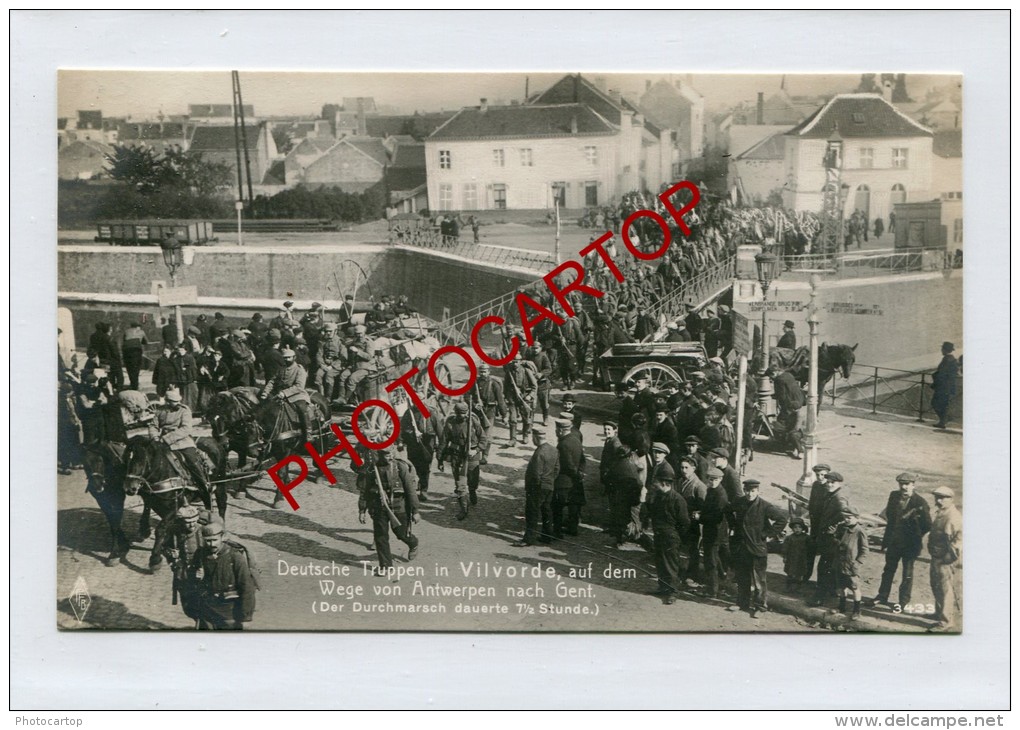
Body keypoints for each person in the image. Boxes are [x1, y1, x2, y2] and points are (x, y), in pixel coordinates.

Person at [869, 472, 932, 609]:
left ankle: (903, 602)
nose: (904, 487)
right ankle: (882, 596)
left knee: (907, 574)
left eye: (907, 484)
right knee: (888, 570)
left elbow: (927, 525)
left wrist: (915, 536)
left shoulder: (920, 502)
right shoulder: (894, 496)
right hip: (893, 542)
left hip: (910, 545)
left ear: (913, 485)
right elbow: (890, 517)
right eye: (901, 484)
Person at [728, 479, 788, 618]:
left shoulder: (765, 506)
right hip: (742, 547)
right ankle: (742, 603)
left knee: (759, 580)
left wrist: (767, 534)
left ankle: (760, 607)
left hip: (757, 547)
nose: (749, 494)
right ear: (744, 490)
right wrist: (733, 525)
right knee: (742, 577)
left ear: (758, 491)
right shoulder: (740, 502)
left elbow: (782, 520)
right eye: (747, 491)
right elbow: (728, 510)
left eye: (753, 491)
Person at [358, 447, 421, 575]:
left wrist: (415, 510)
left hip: (398, 505)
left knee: (401, 533)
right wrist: (362, 509)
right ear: (379, 454)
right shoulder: (372, 469)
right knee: (380, 536)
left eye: (391, 453)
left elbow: (410, 490)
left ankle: (413, 543)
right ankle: (386, 566)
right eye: (386, 454)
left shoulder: (400, 467)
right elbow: (364, 491)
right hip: (379, 506)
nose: (389, 456)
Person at [187, 521, 256, 630]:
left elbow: (247, 587)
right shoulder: (200, 554)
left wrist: (246, 618)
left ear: (222, 537)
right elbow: (190, 580)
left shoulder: (234, 557)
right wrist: (195, 575)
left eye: (215, 540)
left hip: (229, 612)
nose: (211, 544)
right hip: (207, 609)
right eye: (208, 541)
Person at [153, 390, 212, 510]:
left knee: (192, 461)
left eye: (178, 401)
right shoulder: (160, 410)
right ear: (167, 401)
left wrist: (166, 439)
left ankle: (204, 486)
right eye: (174, 401)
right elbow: (153, 426)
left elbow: (186, 429)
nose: (177, 403)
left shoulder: (184, 410)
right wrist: (154, 437)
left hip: (182, 442)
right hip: (162, 442)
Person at [646, 472, 690, 605]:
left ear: (665, 484)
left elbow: (684, 522)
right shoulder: (659, 496)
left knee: (670, 564)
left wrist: (676, 536)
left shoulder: (677, 499)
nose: (654, 485)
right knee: (660, 562)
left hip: (671, 536)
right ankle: (663, 587)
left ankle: (672, 592)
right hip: (659, 534)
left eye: (657, 483)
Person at [810, 471, 851, 607]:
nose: (829, 484)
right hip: (825, 536)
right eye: (828, 482)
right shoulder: (829, 494)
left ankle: (820, 596)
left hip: (831, 538)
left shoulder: (839, 498)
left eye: (832, 482)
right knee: (830, 565)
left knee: (824, 566)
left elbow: (845, 515)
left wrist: (834, 528)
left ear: (839, 483)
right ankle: (831, 589)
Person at [259, 347, 313, 443]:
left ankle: (308, 432)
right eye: (285, 358)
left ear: (294, 357)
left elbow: (299, 386)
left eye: (289, 357)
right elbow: (273, 381)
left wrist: (284, 393)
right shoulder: (281, 369)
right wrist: (265, 392)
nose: (287, 360)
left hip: (297, 395)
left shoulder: (299, 369)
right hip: (280, 394)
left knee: (302, 408)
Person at [927, 486, 962, 632]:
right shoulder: (942, 512)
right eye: (937, 497)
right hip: (937, 556)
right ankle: (939, 613)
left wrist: (948, 558)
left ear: (951, 499)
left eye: (942, 498)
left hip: (945, 559)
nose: (938, 500)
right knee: (936, 586)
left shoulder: (953, 516)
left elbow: (958, 540)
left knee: (945, 590)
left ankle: (945, 622)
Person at [440, 402, 482, 520]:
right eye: (459, 414)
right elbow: (444, 440)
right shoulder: (450, 422)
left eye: (464, 414)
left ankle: (473, 491)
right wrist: (440, 459)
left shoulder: (473, 422)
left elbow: (483, 439)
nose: (461, 416)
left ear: (467, 412)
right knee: (460, 484)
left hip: (471, 456)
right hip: (457, 456)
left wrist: (476, 450)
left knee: (473, 481)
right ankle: (464, 510)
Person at [519, 428, 558, 545]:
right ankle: (547, 536)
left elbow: (536, 474)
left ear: (536, 438)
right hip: (549, 485)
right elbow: (557, 469)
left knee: (532, 512)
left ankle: (529, 539)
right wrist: (550, 480)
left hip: (537, 488)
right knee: (547, 510)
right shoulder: (554, 450)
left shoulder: (539, 453)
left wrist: (534, 487)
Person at [700, 466, 731, 599]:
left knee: (711, 560)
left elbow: (716, 517)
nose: (712, 482)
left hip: (715, 532)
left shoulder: (720, 494)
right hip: (712, 531)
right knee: (714, 558)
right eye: (710, 479)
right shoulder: (712, 490)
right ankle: (721, 580)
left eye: (715, 479)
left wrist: (700, 517)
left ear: (720, 480)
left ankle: (712, 590)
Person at [552, 417, 585, 537]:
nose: (555, 432)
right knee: (574, 505)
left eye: (556, 429)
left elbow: (568, 464)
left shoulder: (563, 444)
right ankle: (573, 528)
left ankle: (556, 532)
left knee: (557, 506)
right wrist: (580, 473)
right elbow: (583, 460)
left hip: (564, 480)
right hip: (576, 479)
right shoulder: (576, 440)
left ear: (560, 430)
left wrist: (575, 474)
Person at [399, 399, 437, 502]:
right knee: (413, 465)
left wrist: (441, 450)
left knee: (425, 467)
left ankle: (424, 489)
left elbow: (439, 430)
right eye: (415, 402)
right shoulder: (409, 412)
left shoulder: (431, 413)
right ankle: (414, 486)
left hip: (427, 444)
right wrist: (401, 441)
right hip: (413, 445)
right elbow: (402, 427)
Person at [835, 506, 867, 619]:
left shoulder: (859, 531)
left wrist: (857, 563)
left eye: (849, 517)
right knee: (842, 587)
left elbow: (864, 550)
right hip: (840, 563)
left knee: (854, 588)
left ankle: (856, 611)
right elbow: (838, 541)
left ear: (857, 518)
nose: (846, 519)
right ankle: (841, 607)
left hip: (851, 565)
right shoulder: (842, 528)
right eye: (845, 517)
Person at [474, 363, 507, 464]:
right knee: (475, 434)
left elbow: (500, 400)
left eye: (485, 371)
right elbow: (467, 396)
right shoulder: (474, 383)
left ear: (489, 372)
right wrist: (475, 404)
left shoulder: (493, 384)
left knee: (487, 436)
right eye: (481, 371)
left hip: (489, 412)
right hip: (476, 413)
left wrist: (504, 415)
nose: (483, 374)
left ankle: (485, 456)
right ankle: (475, 454)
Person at [773, 367, 806, 459]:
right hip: (798, 399)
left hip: (799, 431)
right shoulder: (789, 375)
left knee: (790, 432)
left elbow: (782, 395)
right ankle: (793, 446)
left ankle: (799, 449)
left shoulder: (779, 379)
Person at [930, 341, 959, 429]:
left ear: (945, 350)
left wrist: (935, 380)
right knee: (943, 404)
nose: (941, 350)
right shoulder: (953, 359)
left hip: (942, 387)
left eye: (942, 349)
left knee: (935, 403)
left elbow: (941, 374)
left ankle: (943, 420)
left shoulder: (946, 359)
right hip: (948, 387)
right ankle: (943, 420)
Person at [526, 341, 554, 426]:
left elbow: (549, 369)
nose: (535, 350)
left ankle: (545, 417)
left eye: (537, 348)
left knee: (544, 403)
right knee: (531, 403)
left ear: (541, 348)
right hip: (532, 383)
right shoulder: (529, 356)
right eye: (533, 348)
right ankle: (530, 419)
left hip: (542, 383)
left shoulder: (543, 356)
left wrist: (541, 374)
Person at [783, 517, 812, 590]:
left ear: (803, 528)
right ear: (792, 529)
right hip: (791, 558)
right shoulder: (789, 538)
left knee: (800, 573)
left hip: (801, 558)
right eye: (795, 527)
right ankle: (788, 586)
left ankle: (798, 587)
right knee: (790, 572)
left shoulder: (806, 537)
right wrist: (785, 557)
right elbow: (785, 548)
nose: (797, 529)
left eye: (799, 527)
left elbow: (810, 547)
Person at [121, 322, 148, 391]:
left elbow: (124, 341)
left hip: (126, 350)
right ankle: (135, 385)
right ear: (137, 327)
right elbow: (146, 342)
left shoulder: (126, 331)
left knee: (129, 367)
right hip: (136, 350)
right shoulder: (141, 331)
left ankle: (133, 383)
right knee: (136, 367)